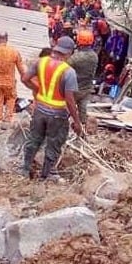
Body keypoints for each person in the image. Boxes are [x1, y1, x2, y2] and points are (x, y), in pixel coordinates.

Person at [21, 36, 84, 180]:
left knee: (34, 139)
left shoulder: (40, 62)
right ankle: (47, 174)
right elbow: (69, 100)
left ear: (56, 48)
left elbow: (24, 79)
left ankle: (24, 169)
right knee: (54, 143)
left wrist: (37, 89)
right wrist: (77, 121)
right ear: (69, 53)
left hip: (40, 110)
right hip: (58, 115)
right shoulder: (69, 72)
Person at [68, 30, 99, 124]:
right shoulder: (94, 56)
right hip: (87, 87)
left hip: (74, 88)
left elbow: (65, 67)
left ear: (79, 41)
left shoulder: (76, 58)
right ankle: (82, 129)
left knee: (67, 108)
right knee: (83, 110)